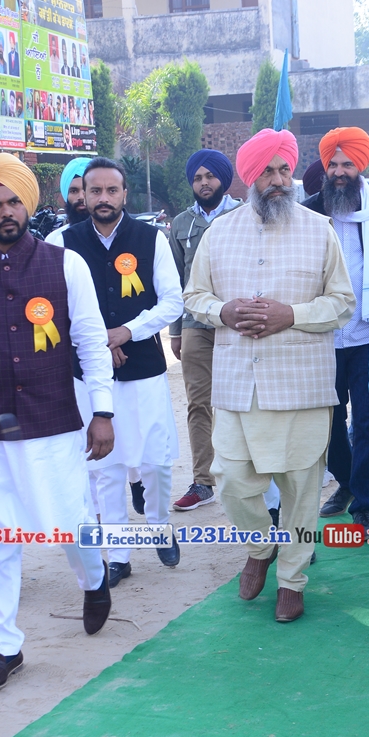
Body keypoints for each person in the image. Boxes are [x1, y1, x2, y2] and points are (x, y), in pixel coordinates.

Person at [0, 153, 115, 693]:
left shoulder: (66, 265)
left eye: (13, 201)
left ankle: (95, 579)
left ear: (27, 205)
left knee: (70, 522)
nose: (6, 212)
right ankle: (4, 647)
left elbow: (91, 342)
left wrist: (102, 411)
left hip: (53, 420)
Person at [184, 129, 355, 623]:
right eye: (267, 172)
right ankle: (261, 547)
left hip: (302, 383)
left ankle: (292, 580)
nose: (278, 180)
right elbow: (194, 296)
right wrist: (223, 311)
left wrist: (292, 315)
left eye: (284, 170)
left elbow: (343, 303)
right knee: (231, 480)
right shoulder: (219, 233)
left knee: (301, 488)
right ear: (249, 178)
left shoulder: (319, 230)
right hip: (238, 382)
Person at [56, 157, 183, 588]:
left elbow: (172, 301)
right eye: (95, 191)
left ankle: (159, 524)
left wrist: (126, 332)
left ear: (125, 194)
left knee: (155, 461)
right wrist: (96, 343)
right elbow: (52, 307)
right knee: (103, 468)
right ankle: (119, 555)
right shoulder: (61, 242)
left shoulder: (151, 238)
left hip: (143, 369)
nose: (104, 198)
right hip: (88, 375)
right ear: (82, 195)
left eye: (112, 190)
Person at [302, 127, 369, 528]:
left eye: (348, 164)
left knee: (367, 420)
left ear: (360, 166)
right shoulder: (308, 213)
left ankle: (364, 503)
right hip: (322, 335)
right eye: (333, 164)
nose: (340, 172)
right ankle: (346, 482)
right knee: (326, 423)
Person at [168, 149, 242, 512]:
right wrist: (175, 330)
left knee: (243, 402)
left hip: (238, 323)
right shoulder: (181, 223)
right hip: (195, 323)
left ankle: (246, 478)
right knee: (199, 403)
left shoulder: (244, 214)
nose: (204, 183)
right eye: (197, 178)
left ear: (223, 179)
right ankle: (203, 482)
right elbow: (174, 279)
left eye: (210, 176)